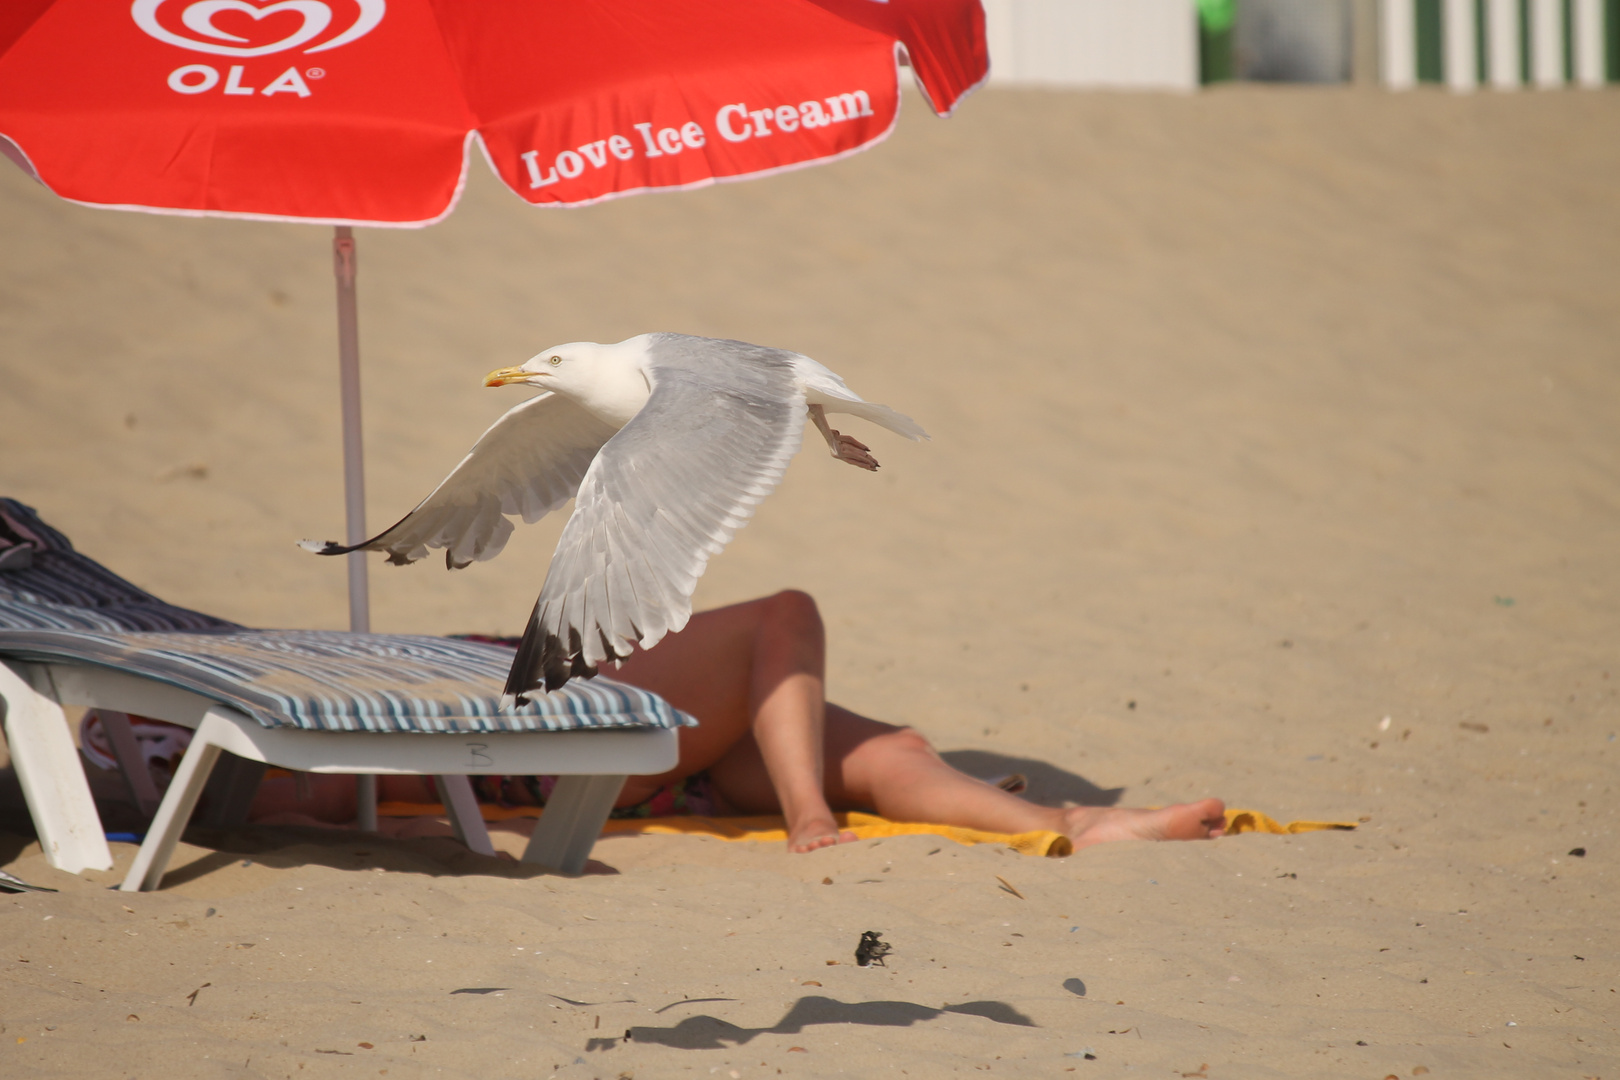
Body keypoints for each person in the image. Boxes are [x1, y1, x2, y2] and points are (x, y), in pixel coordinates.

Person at [246, 590, 1226, 853]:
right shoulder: (251, 711)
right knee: (782, 618)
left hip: (595, 753)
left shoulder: (263, 711)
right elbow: (320, 791)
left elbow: (318, 791)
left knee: (896, 753)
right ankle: (808, 813)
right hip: (565, 730)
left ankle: (1072, 829)